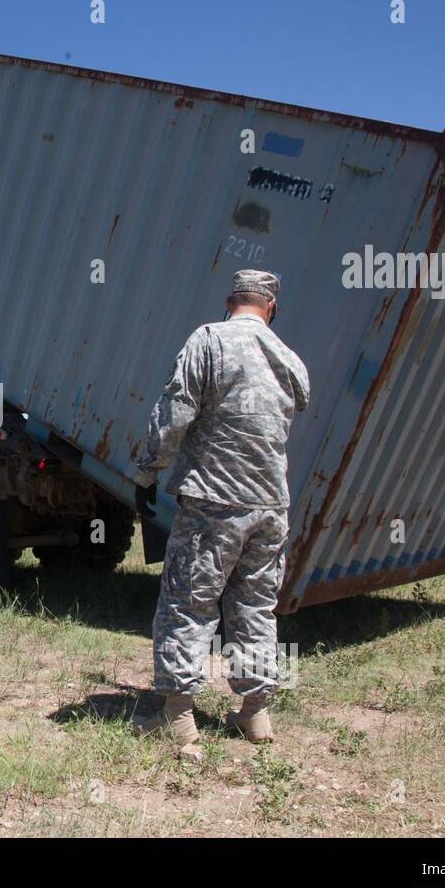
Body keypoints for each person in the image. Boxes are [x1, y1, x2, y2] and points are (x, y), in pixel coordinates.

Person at [128, 269, 309, 746]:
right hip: (270, 506)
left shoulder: (208, 341)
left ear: (230, 301)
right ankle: (255, 714)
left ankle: (179, 716)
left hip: (214, 502)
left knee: (188, 604)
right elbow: (301, 400)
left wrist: (148, 471)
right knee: (255, 606)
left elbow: (175, 412)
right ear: (271, 307)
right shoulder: (288, 358)